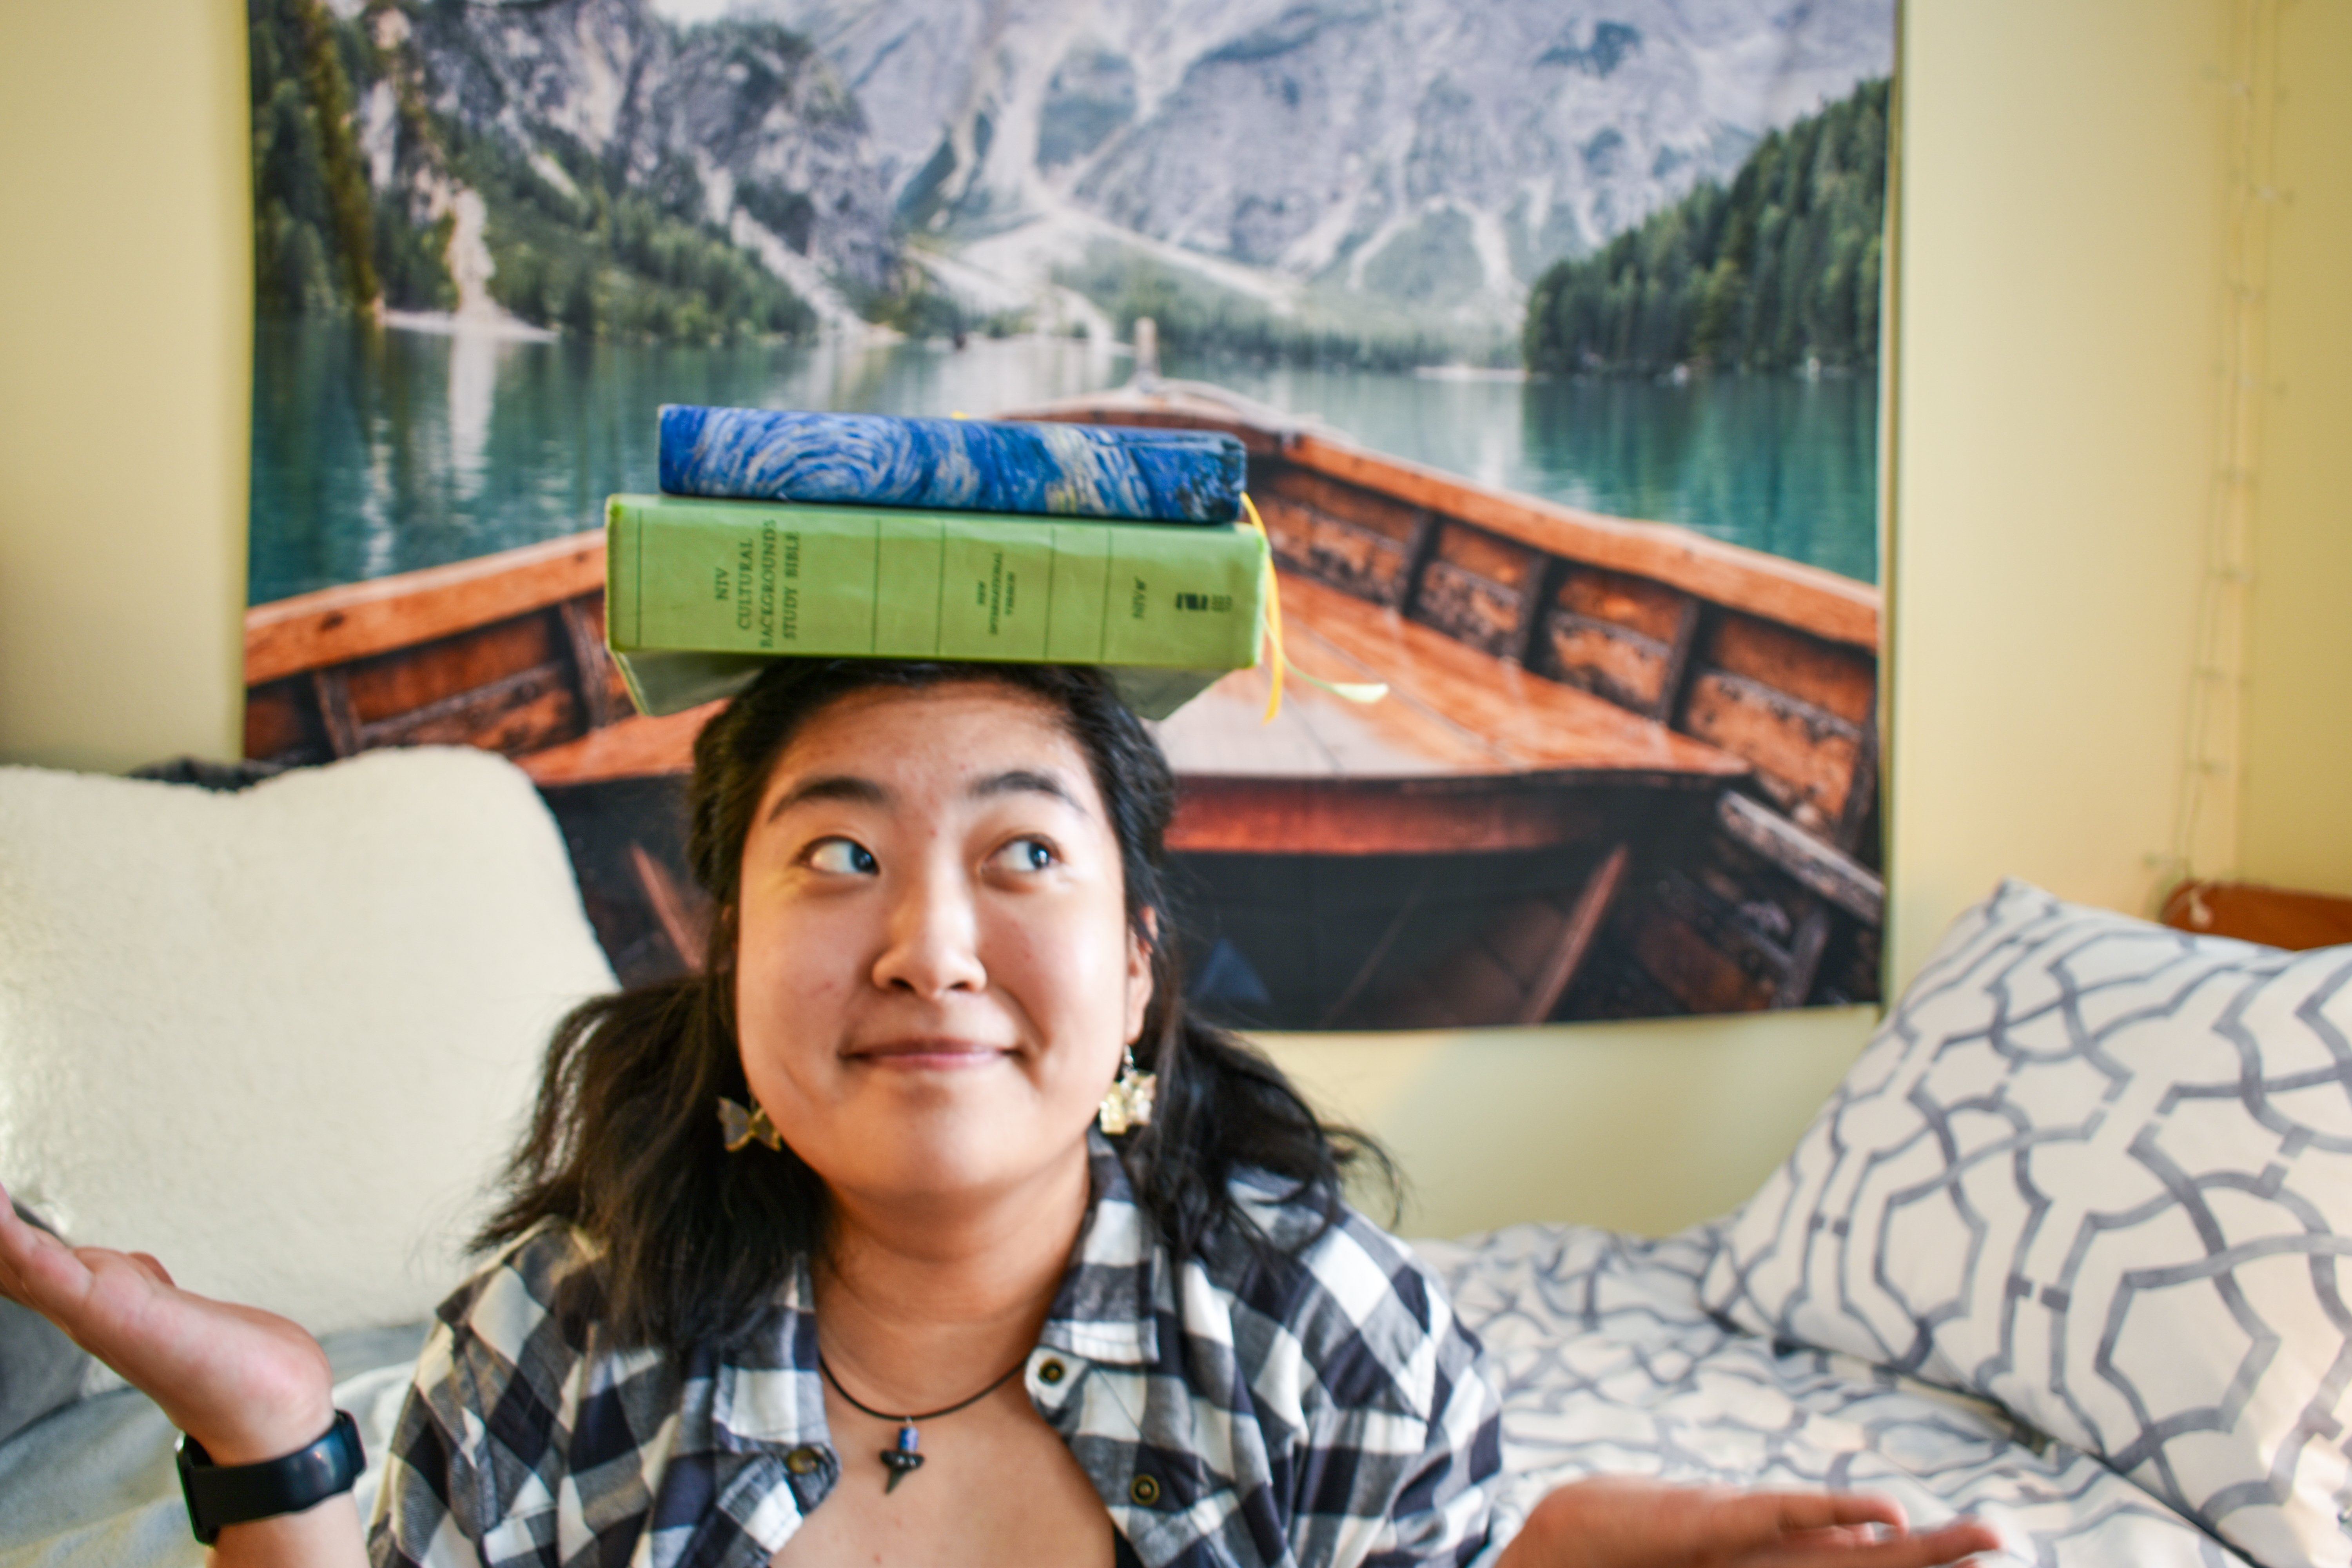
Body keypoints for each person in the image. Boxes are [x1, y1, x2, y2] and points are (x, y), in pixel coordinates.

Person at [0, 660, 2002, 1568]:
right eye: (839, 858)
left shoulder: (1319, 1332)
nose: (932, 945)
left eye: (1024, 856)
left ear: (1140, 971)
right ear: (721, 958)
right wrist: (272, 1448)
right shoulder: (565, 1334)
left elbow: (1450, 1545)